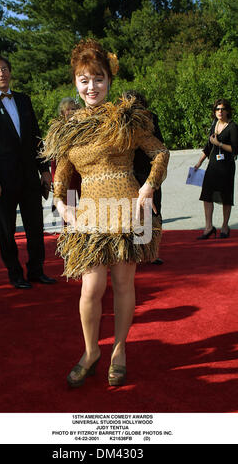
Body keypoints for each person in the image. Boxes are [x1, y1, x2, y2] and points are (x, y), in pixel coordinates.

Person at [41, 39, 169, 387]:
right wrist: (62, 204)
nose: (91, 86)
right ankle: (90, 351)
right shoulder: (68, 129)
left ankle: (119, 350)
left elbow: (159, 152)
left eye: (98, 78)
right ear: (76, 83)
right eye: (84, 79)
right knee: (90, 289)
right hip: (90, 214)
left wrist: (148, 187)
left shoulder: (126, 118)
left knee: (124, 284)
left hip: (128, 208)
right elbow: (62, 175)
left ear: (108, 80)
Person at [0, 55, 56, 289]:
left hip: (29, 177)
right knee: (7, 232)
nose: (2, 74)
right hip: (1, 181)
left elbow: (36, 138)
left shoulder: (24, 100)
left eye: (5, 69)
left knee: (35, 228)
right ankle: (15, 274)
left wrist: (45, 169)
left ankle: (37, 271)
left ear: (10, 72)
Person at [122, 90, 165, 265]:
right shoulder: (120, 119)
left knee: (153, 211)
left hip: (149, 170)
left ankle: (150, 251)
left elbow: (160, 144)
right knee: (134, 213)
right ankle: (135, 252)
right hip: (130, 171)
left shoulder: (151, 118)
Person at [195, 99, 238, 239]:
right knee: (206, 195)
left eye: (222, 109)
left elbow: (235, 149)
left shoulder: (232, 127)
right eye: (217, 109)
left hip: (226, 166)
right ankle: (208, 227)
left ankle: (225, 227)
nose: (220, 111)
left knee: (226, 196)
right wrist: (199, 163)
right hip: (212, 165)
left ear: (227, 111)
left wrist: (219, 143)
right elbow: (208, 147)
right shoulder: (214, 124)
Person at [51, 98, 82, 203]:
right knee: (69, 209)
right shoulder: (57, 131)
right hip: (66, 175)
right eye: (67, 109)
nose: (70, 112)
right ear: (62, 112)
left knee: (88, 208)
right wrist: (55, 177)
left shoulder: (85, 127)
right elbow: (54, 158)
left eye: (73, 109)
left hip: (83, 173)